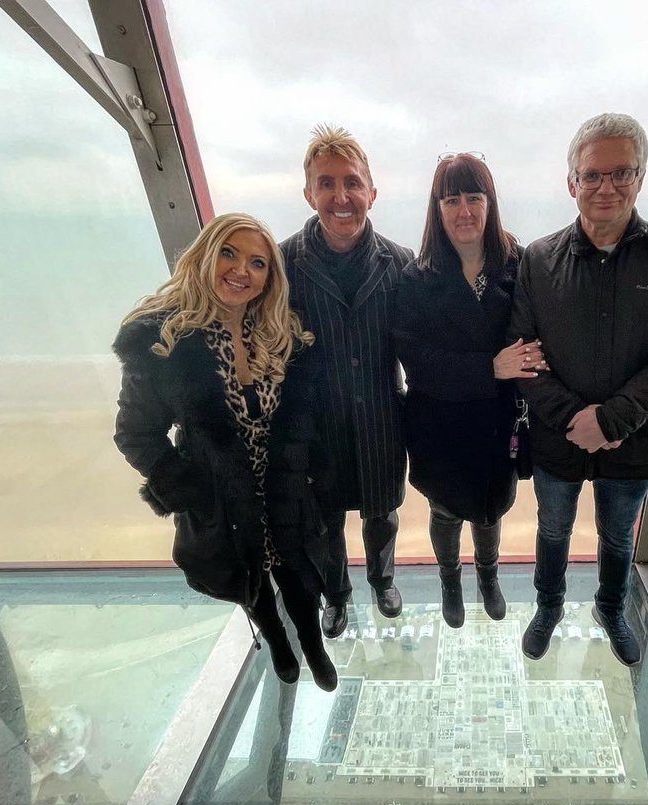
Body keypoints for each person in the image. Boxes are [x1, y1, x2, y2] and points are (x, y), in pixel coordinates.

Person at [112, 212, 338, 691]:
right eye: (229, 254)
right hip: (221, 496)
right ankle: (276, 641)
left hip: (284, 486)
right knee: (250, 581)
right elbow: (135, 433)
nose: (241, 270)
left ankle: (312, 644)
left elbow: (308, 418)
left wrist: (312, 470)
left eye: (258, 263)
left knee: (297, 574)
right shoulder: (165, 342)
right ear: (205, 256)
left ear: (269, 278)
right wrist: (189, 489)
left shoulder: (282, 333)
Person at [509, 113, 648, 666]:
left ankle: (611, 608)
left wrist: (612, 420)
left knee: (618, 537)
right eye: (592, 175)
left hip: (632, 439)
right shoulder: (538, 259)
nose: (606, 187)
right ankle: (548, 606)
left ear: (640, 177)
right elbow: (522, 353)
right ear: (571, 182)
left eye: (622, 173)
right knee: (553, 529)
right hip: (557, 438)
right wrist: (575, 420)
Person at [395, 153, 546, 627]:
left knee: (490, 511)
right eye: (452, 200)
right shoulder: (416, 278)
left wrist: (523, 363)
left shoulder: (518, 264)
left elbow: (535, 337)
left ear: (490, 203)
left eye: (474, 198)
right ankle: (449, 580)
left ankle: (488, 575)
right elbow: (417, 362)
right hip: (440, 424)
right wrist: (490, 368)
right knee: (445, 512)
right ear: (437, 209)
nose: (464, 211)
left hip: (498, 421)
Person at [280, 125, 414, 639]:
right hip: (315, 426)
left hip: (381, 418)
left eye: (352, 183)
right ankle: (336, 595)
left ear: (371, 192)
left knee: (382, 515)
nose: (341, 196)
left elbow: (421, 349)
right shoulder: (283, 264)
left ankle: (383, 581)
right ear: (308, 193)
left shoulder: (401, 264)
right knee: (324, 521)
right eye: (327, 183)